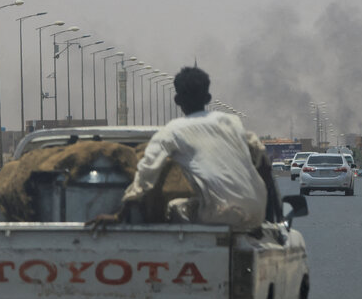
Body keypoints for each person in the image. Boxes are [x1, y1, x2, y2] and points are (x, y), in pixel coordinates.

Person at [91, 66, 276, 229]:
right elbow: (264, 162)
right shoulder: (231, 122)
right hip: (257, 213)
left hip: (220, 215)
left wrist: (119, 215)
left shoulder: (171, 131)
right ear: (208, 97)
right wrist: (271, 216)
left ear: (177, 100)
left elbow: (146, 176)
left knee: (174, 207)